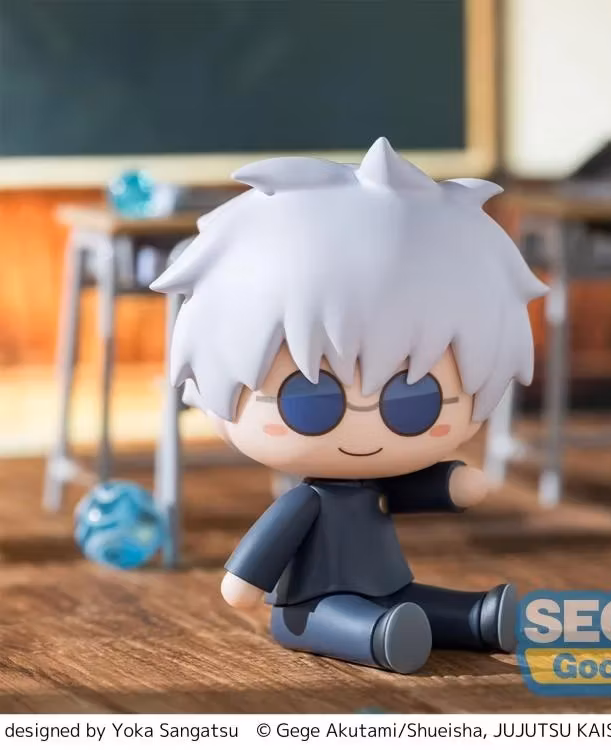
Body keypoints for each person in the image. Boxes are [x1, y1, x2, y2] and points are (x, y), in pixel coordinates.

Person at [151, 137, 547, 673]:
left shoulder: (370, 484)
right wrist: (244, 580)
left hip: (391, 586)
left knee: (414, 603)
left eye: (413, 401)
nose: (364, 422)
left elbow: (408, 491)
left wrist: (450, 484)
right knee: (356, 618)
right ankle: (381, 638)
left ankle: (478, 619)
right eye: (310, 403)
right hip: (308, 607)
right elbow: (262, 554)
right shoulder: (304, 502)